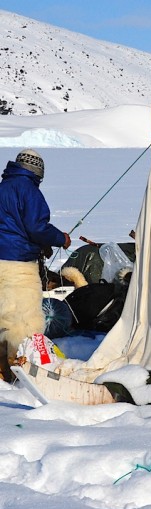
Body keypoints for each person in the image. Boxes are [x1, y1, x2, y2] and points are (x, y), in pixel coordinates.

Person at [0, 149, 71, 380]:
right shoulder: (28, 190)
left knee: (3, 316)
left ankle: (3, 368)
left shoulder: (3, 187)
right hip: (18, 265)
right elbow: (36, 227)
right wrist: (61, 238)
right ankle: (23, 370)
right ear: (37, 171)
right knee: (26, 319)